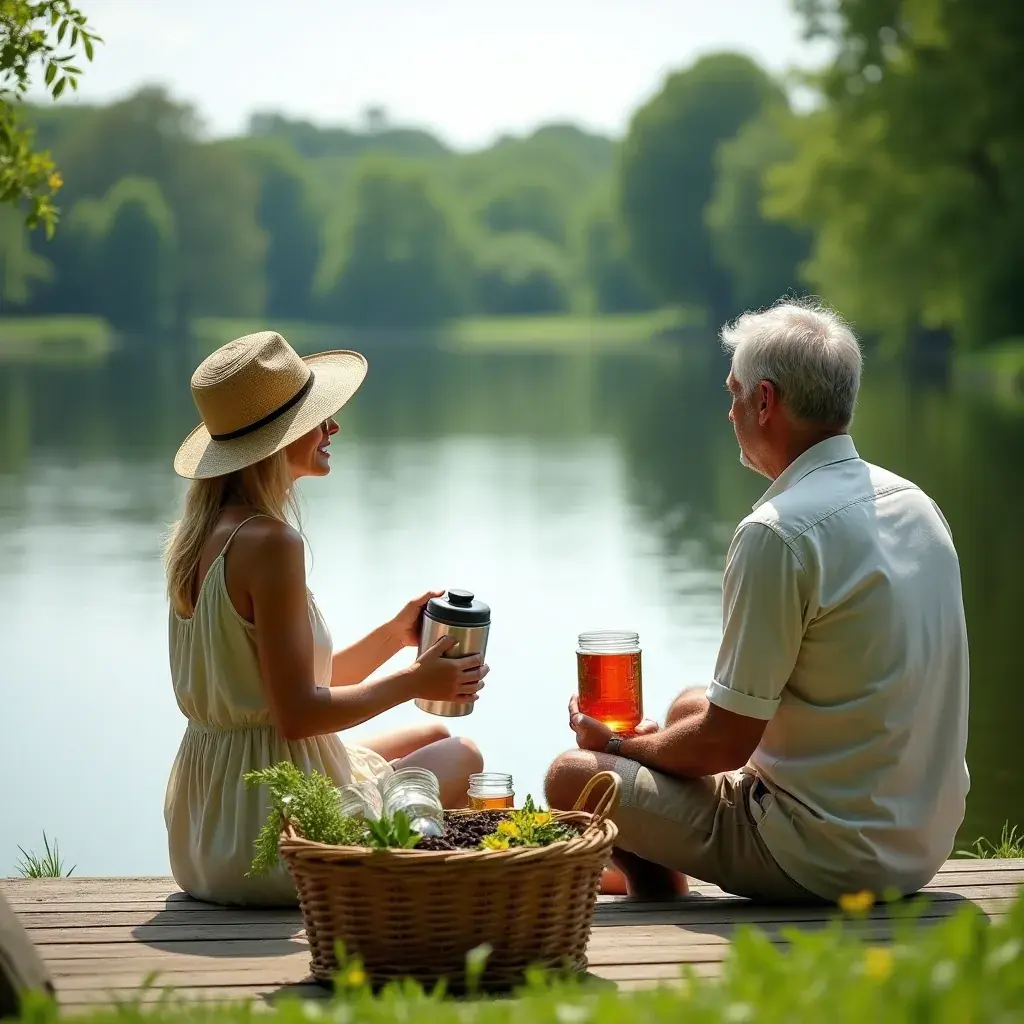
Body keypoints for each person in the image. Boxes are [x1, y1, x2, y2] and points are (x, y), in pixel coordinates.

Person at [546, 299, 970, 904]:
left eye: (734, 393)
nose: (729, 411)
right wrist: (656, 744)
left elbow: (725, 745)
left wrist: (615, 746)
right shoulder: (916, 506)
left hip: (824, 859)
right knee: (689, 703)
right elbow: (727, 722)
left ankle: (661, 889)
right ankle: (668, 851)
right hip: (920, 844)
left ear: (765, 402)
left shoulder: (777, 532)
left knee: (573, 777)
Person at [163, 331, 487, 906]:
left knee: (434, 733)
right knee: (463, 758)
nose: (332, 428)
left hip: (205, 826)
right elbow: (298, 715)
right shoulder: (270, 542)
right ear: (277, 440)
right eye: (318, 419)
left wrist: (395, 635)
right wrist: (416, 681)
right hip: (271, 835)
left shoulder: (200, 539)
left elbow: (290, 683)